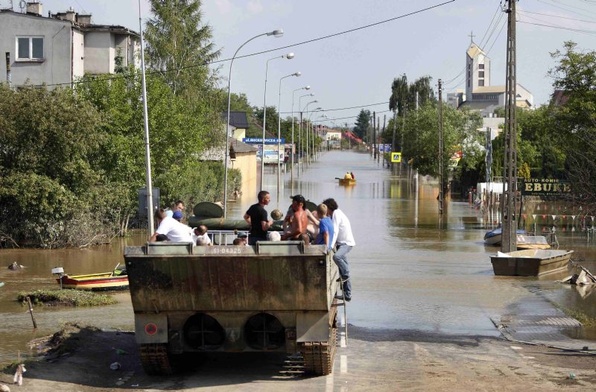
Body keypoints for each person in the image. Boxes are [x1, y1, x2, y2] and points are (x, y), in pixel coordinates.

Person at [323, 198, 355, 302]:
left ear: (329, 207)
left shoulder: (336, 213)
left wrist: (330, 246)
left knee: (337, 257)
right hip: (341, 244)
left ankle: (345, 275)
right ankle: (347, 295)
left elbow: (335, 231)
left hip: (346, 243)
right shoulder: (334, 215)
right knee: (343, 270)